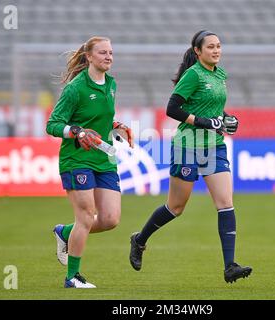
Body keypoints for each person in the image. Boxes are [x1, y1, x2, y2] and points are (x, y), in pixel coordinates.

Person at [129, 30, 252, 283]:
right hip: (187, 146)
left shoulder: (220, 74)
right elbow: (172, 108)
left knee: (225, 202)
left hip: (214, 146)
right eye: (210, 47)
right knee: (176, 207)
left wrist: (226, 119)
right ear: (198, 51)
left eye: (218, 46)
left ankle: (230, 266)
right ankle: (139, 240)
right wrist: (206, 121)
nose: (216, 50)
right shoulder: (193, 74)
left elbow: (212, 107)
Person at [46, 36, 133, 288]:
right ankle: (72, 277)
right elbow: (52, 124)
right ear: (89, 57)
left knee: (109, 219)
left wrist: (116, 126)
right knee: (86, 216)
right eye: (103, 52)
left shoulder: (112, 84)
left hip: (104, 159)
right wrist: (76, 131)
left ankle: (64, 232)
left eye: (111, 53)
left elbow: (101, 118)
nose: (109, 57)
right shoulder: (75, 88)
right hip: (76, 159)